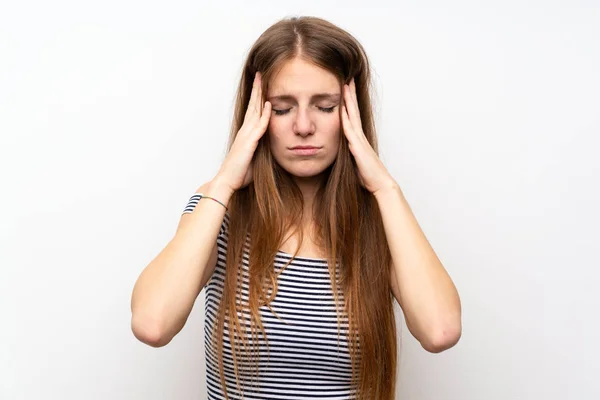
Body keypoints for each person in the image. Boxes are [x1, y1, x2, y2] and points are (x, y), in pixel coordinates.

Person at [130, 15, 462, 400]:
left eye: (325, 106)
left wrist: (385, 188)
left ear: (351, 112)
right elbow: (152, 324)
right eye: (283, 108)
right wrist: (224, 182)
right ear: (257, 116)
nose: (303, 126)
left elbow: (440, 330)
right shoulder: (218, 210)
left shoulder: (382, 219)